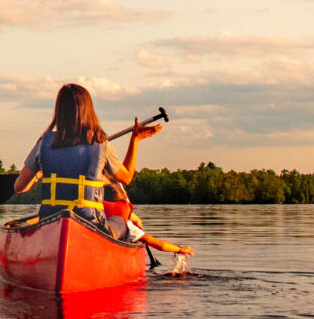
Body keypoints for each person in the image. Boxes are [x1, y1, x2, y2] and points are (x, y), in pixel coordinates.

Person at [11, 84, 192, 258]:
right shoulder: (101, 144)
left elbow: (19, 187)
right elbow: (126, 177)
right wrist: (134, 140)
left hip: (50, 224)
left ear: (59, 111)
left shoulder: (44, 144)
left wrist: (38, 174)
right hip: (92, 226)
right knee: (122, 223)